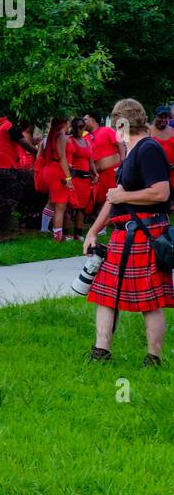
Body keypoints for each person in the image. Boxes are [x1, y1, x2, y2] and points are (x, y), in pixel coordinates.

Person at [83, 98, 171, 367]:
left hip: (144, 232)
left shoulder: (148, 149)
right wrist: (93, 231)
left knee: (150, 300)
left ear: (120, 123)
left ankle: (154, 358)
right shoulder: (132, 151)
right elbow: (114, 199)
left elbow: (161, 192)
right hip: (125, 233)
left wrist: (125, 194)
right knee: (105, 294)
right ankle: (101, 352)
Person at [38, 117, 72, 242]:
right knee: (60, 207)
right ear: (65, 123)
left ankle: (45, 229)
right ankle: (58, 237)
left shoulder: (50, 136)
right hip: (57, 171)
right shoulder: (61, 136)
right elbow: (62, 158)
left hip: (48, 170)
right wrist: (68, 177)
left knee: (53, 202)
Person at [84, 112, 123, 217]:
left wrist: (123, 162)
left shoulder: (107, 130)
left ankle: (117, 221)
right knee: (99, 200)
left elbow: (120, 144)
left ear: (93, 119)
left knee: (112, 198)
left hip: (111, 172)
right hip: (96, 175)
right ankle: (102, 225)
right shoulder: (85, 137)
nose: (83, 122)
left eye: (85, 119)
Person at [65, 117, 97, 241]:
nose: (79, 129)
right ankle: (66, 233)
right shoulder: (69, 141)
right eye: (77, 127)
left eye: (81, 127)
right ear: (73, 127)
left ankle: (78, 234)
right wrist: (68, 178)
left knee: (81, 209)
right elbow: (67, 161)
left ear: (84, 127)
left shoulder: (87, 142)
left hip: (85, 179)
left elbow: (91, 160)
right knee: (69, 208)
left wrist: (95, 174)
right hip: (74, 178)